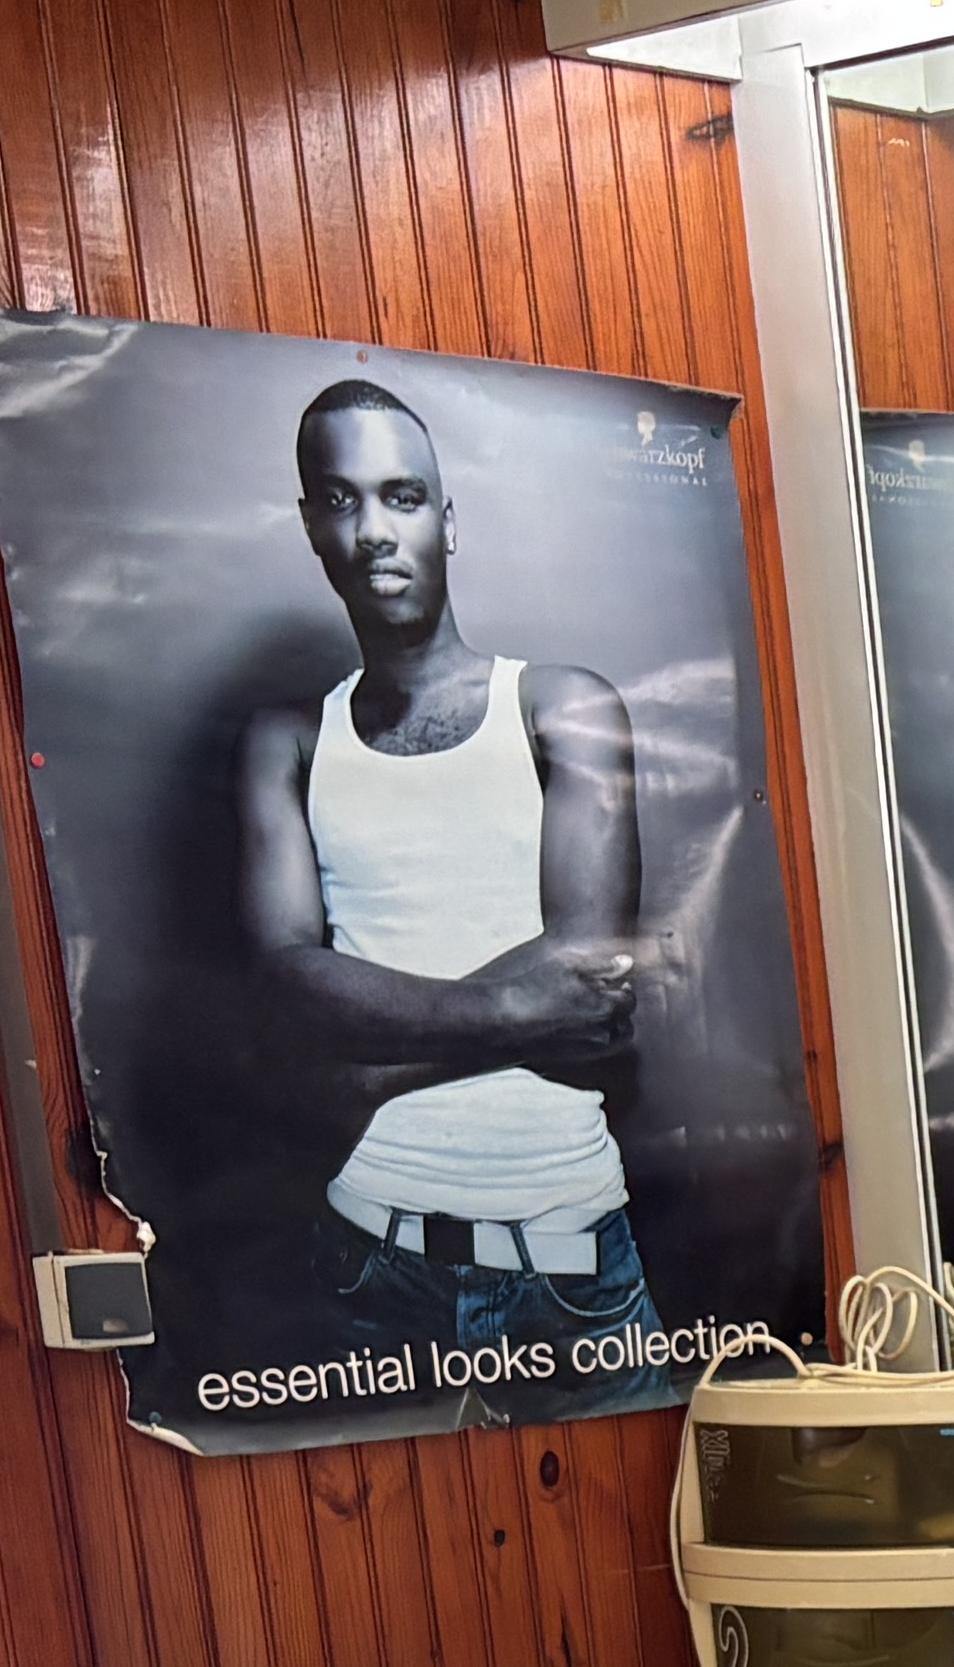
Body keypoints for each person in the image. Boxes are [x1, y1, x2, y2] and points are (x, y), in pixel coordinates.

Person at [233, 377, 647, 1415]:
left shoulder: (563, 704)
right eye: (342, 500)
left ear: (447, 521)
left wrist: (368, 1073)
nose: (375, 529)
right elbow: (282, 980)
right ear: (311, 529)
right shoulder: (288, 742)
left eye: (403, 496)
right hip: (370, 1259)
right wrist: (519, 1007)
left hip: (571, 1265)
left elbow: (590, 972)